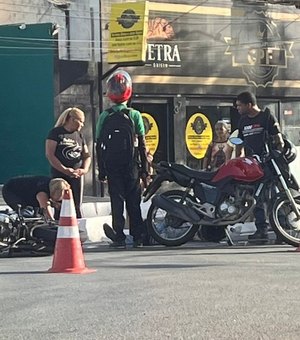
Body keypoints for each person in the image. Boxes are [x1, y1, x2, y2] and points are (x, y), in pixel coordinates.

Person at [96, 70, 150, 248]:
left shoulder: (105, 116)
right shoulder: (134, 115)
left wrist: (102, 170)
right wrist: (145, 169)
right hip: (131, 165)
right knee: (133, 201)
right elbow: (142, 145)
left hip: (112, 166)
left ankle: (118, 236)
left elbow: (99, 144)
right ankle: (138, 236)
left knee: (116, 201)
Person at [235, 91, 284, 243]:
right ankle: (261, 230)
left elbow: (279, 140)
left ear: (249, 104)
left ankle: (281, 231)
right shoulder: (242, 121)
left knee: (274, 197)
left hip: (268, 164)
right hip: (252, 166)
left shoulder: (266, 117)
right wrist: (239, 161)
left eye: (239, 105)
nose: (237, 108)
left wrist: (276, 154)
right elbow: (239, 144)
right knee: (256, 198)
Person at [45, 107, 91, 218]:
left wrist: (84, 169)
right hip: (60, 174)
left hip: (76, 175)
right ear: (71, 119)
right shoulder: (56, 133)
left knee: (76, 205)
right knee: (60, 205)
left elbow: (86, 155)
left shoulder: (79, 135)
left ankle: (77, 228)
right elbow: (50, 154)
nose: (82, 125)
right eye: (80, 121)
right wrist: (65, 170)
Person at [2, 176, 70, 220]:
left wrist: (55, 203)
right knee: (26, 213)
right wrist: (52, 221)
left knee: (36, 215)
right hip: (11, 190)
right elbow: (45, 208)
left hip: (28, 193)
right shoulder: (42, 191)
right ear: (54, 191)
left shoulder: (52, 184)